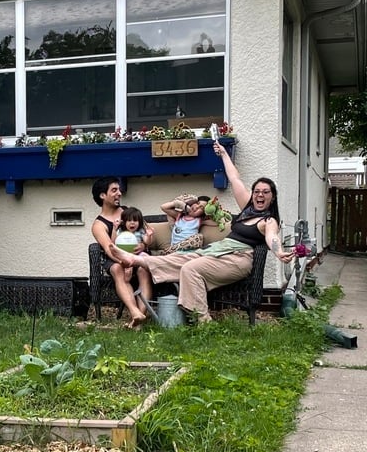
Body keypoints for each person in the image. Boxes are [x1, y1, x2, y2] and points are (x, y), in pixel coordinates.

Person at [110, 141, 294, 323]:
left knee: (190, 268)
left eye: (265, 192)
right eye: (257, 191)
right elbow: (235, 178)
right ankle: (134, 259)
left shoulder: (268, 220)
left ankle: (204, 321)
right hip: (217, 251)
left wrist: (278, 252)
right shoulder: (247, 208)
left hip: (237, 259)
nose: (260, 195)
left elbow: (272, 237)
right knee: (179, 258)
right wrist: (223, 154)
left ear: (273, 197)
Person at [91, 177, 153, 328]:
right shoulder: (98, 225)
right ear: (102, 195)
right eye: (114, 190)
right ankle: (135, 312)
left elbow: (147, 231)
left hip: (137, 255)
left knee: (144, 270)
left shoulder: (129, 212)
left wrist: (144, 244)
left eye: (119, 190)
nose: (119, 193)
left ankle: (139, 317)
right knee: (118, 270)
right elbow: (109, 249)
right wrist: (124, 262)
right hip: (115, 260)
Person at [112, 206, 153, 283]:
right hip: (124, 254)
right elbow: (113, 242)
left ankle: (151, 269)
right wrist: (114, 229)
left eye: (135, 220)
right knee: (125, 261)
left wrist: (149, 235)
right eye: (129, 220)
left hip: (137, 254)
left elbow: (147, 242)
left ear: (139, 222)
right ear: (124, 222)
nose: (132, 222)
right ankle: (127, 273)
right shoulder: (121, 231)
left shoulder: (140, 231)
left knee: (145, 256)